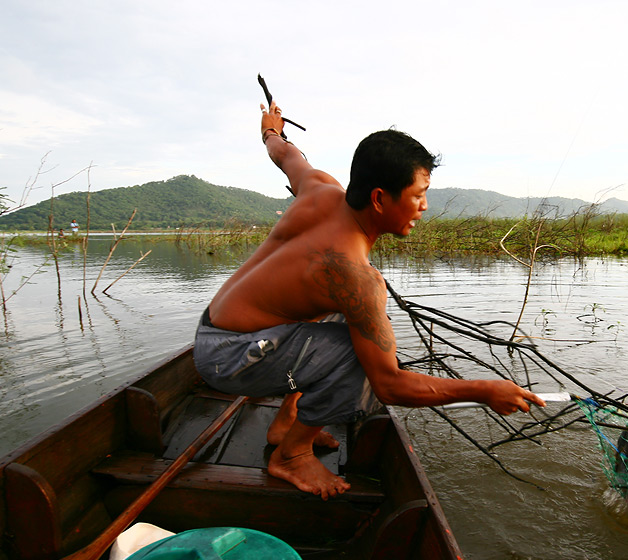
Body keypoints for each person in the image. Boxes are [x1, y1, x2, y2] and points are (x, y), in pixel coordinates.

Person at [193, 100, 545, 499]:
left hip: (218, 329)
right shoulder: (354, 276)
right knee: (358, 357)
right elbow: (390, 386)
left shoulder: (319, 189)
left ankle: (285, 421)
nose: (424, 207)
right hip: (228, 359)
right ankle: (291, 455)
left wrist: (271, 130)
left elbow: (286, 155)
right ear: (379, 198)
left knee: (345, 319)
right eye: (418, 195)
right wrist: (483, 391)